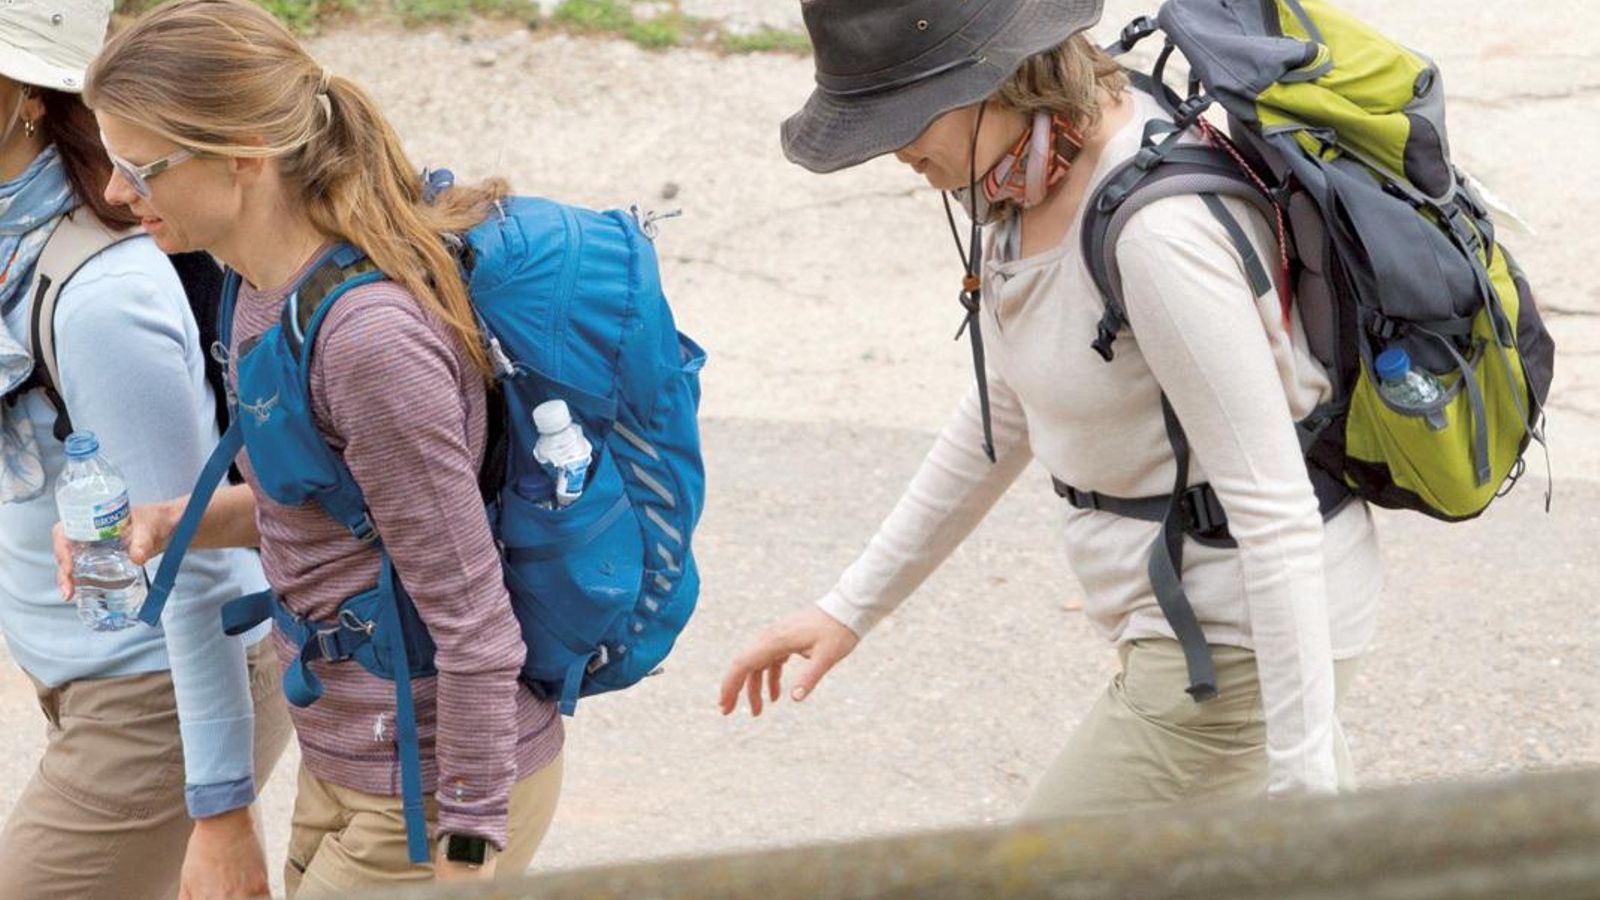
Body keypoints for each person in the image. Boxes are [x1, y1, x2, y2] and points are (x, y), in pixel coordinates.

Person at [721, 0, 1382, 814]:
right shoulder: (1023, 179)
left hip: (1237, 643)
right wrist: (849, 608)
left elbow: (1275, 508)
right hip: (1186, 629)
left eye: (904, 116)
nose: (893, 150)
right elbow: (1007, 409)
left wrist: (1304, 780)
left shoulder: (1156, 235)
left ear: (997, 76)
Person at [69, 0, 564, 891]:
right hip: (346, 760)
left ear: (244, 155)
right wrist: (160, 525)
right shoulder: (257, 288)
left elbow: (476, 621)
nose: (114, 193)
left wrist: (464, 846)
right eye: (111, 162)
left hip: (432, 794)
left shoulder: (368, 343)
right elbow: (322, 508)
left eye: (140, 167)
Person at [0, 0, 291, 897]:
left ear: (30, 96)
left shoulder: (99, 297)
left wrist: (219, 807)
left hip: (155, 695)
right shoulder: (14, 241)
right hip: (86, 675)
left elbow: (188, 556)